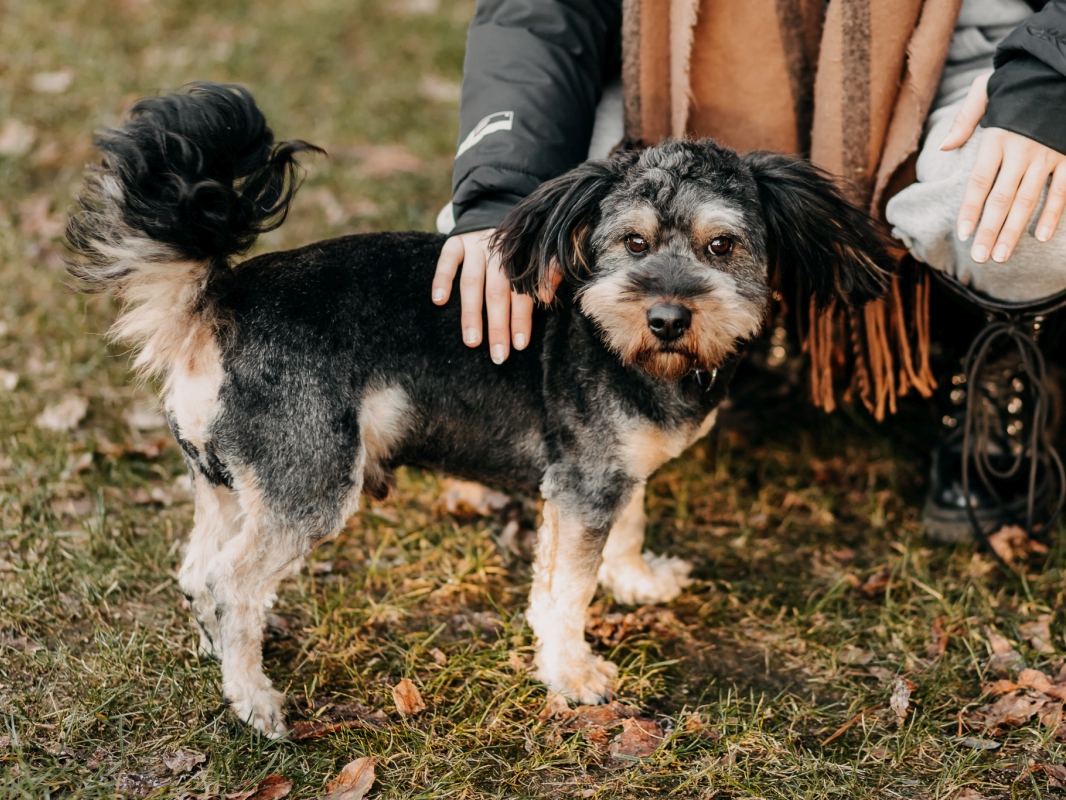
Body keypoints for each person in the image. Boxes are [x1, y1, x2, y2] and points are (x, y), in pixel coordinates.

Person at [430, 0, 1066, 543]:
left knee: (1037, 206)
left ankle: (995, 354)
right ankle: (573, 410)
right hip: (664, 52)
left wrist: (1047, 75)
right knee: (525, 226)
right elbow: (539, 11)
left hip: (965, 39)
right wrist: (501, 191)